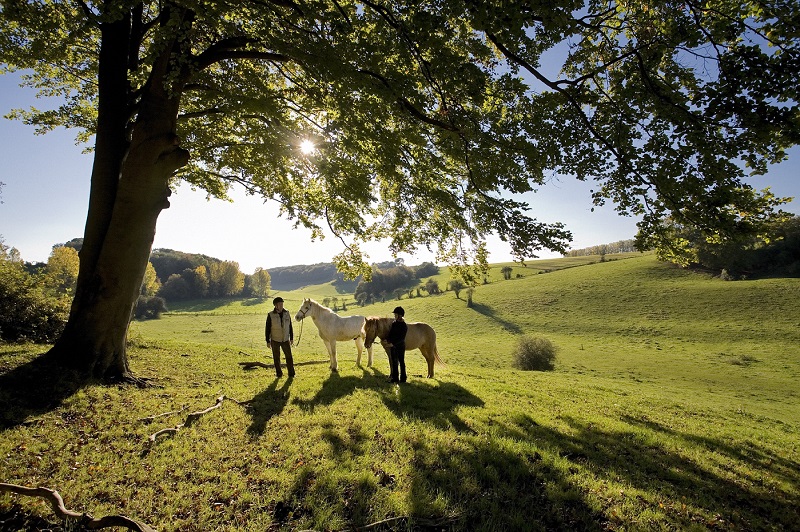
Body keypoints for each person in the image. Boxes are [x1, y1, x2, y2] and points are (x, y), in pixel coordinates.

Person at [265, 297, 295, 378]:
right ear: (276, 305)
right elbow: (267, 328)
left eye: (282, 303)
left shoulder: (287, 313)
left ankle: (291, 374)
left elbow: (290, 326)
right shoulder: (270, 315)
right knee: (276, 358)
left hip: (285, 339)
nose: (281, 305)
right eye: (280, 304)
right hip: (275, 340)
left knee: (289, 357)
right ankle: (279, 374)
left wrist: (291, 338)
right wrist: (268, 341)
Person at [384, 306, 408, 383]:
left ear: (400, 316)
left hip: (400, 346)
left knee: (401, 362)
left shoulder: (404, 326)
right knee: (394, 362)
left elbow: (401, 338)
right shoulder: (394, 323)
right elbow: (391, 334)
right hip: (393, 346)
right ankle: (395, 378)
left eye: (396, 315)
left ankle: (403, 379)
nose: (394, 316)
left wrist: (392, 344)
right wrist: (387, 340)